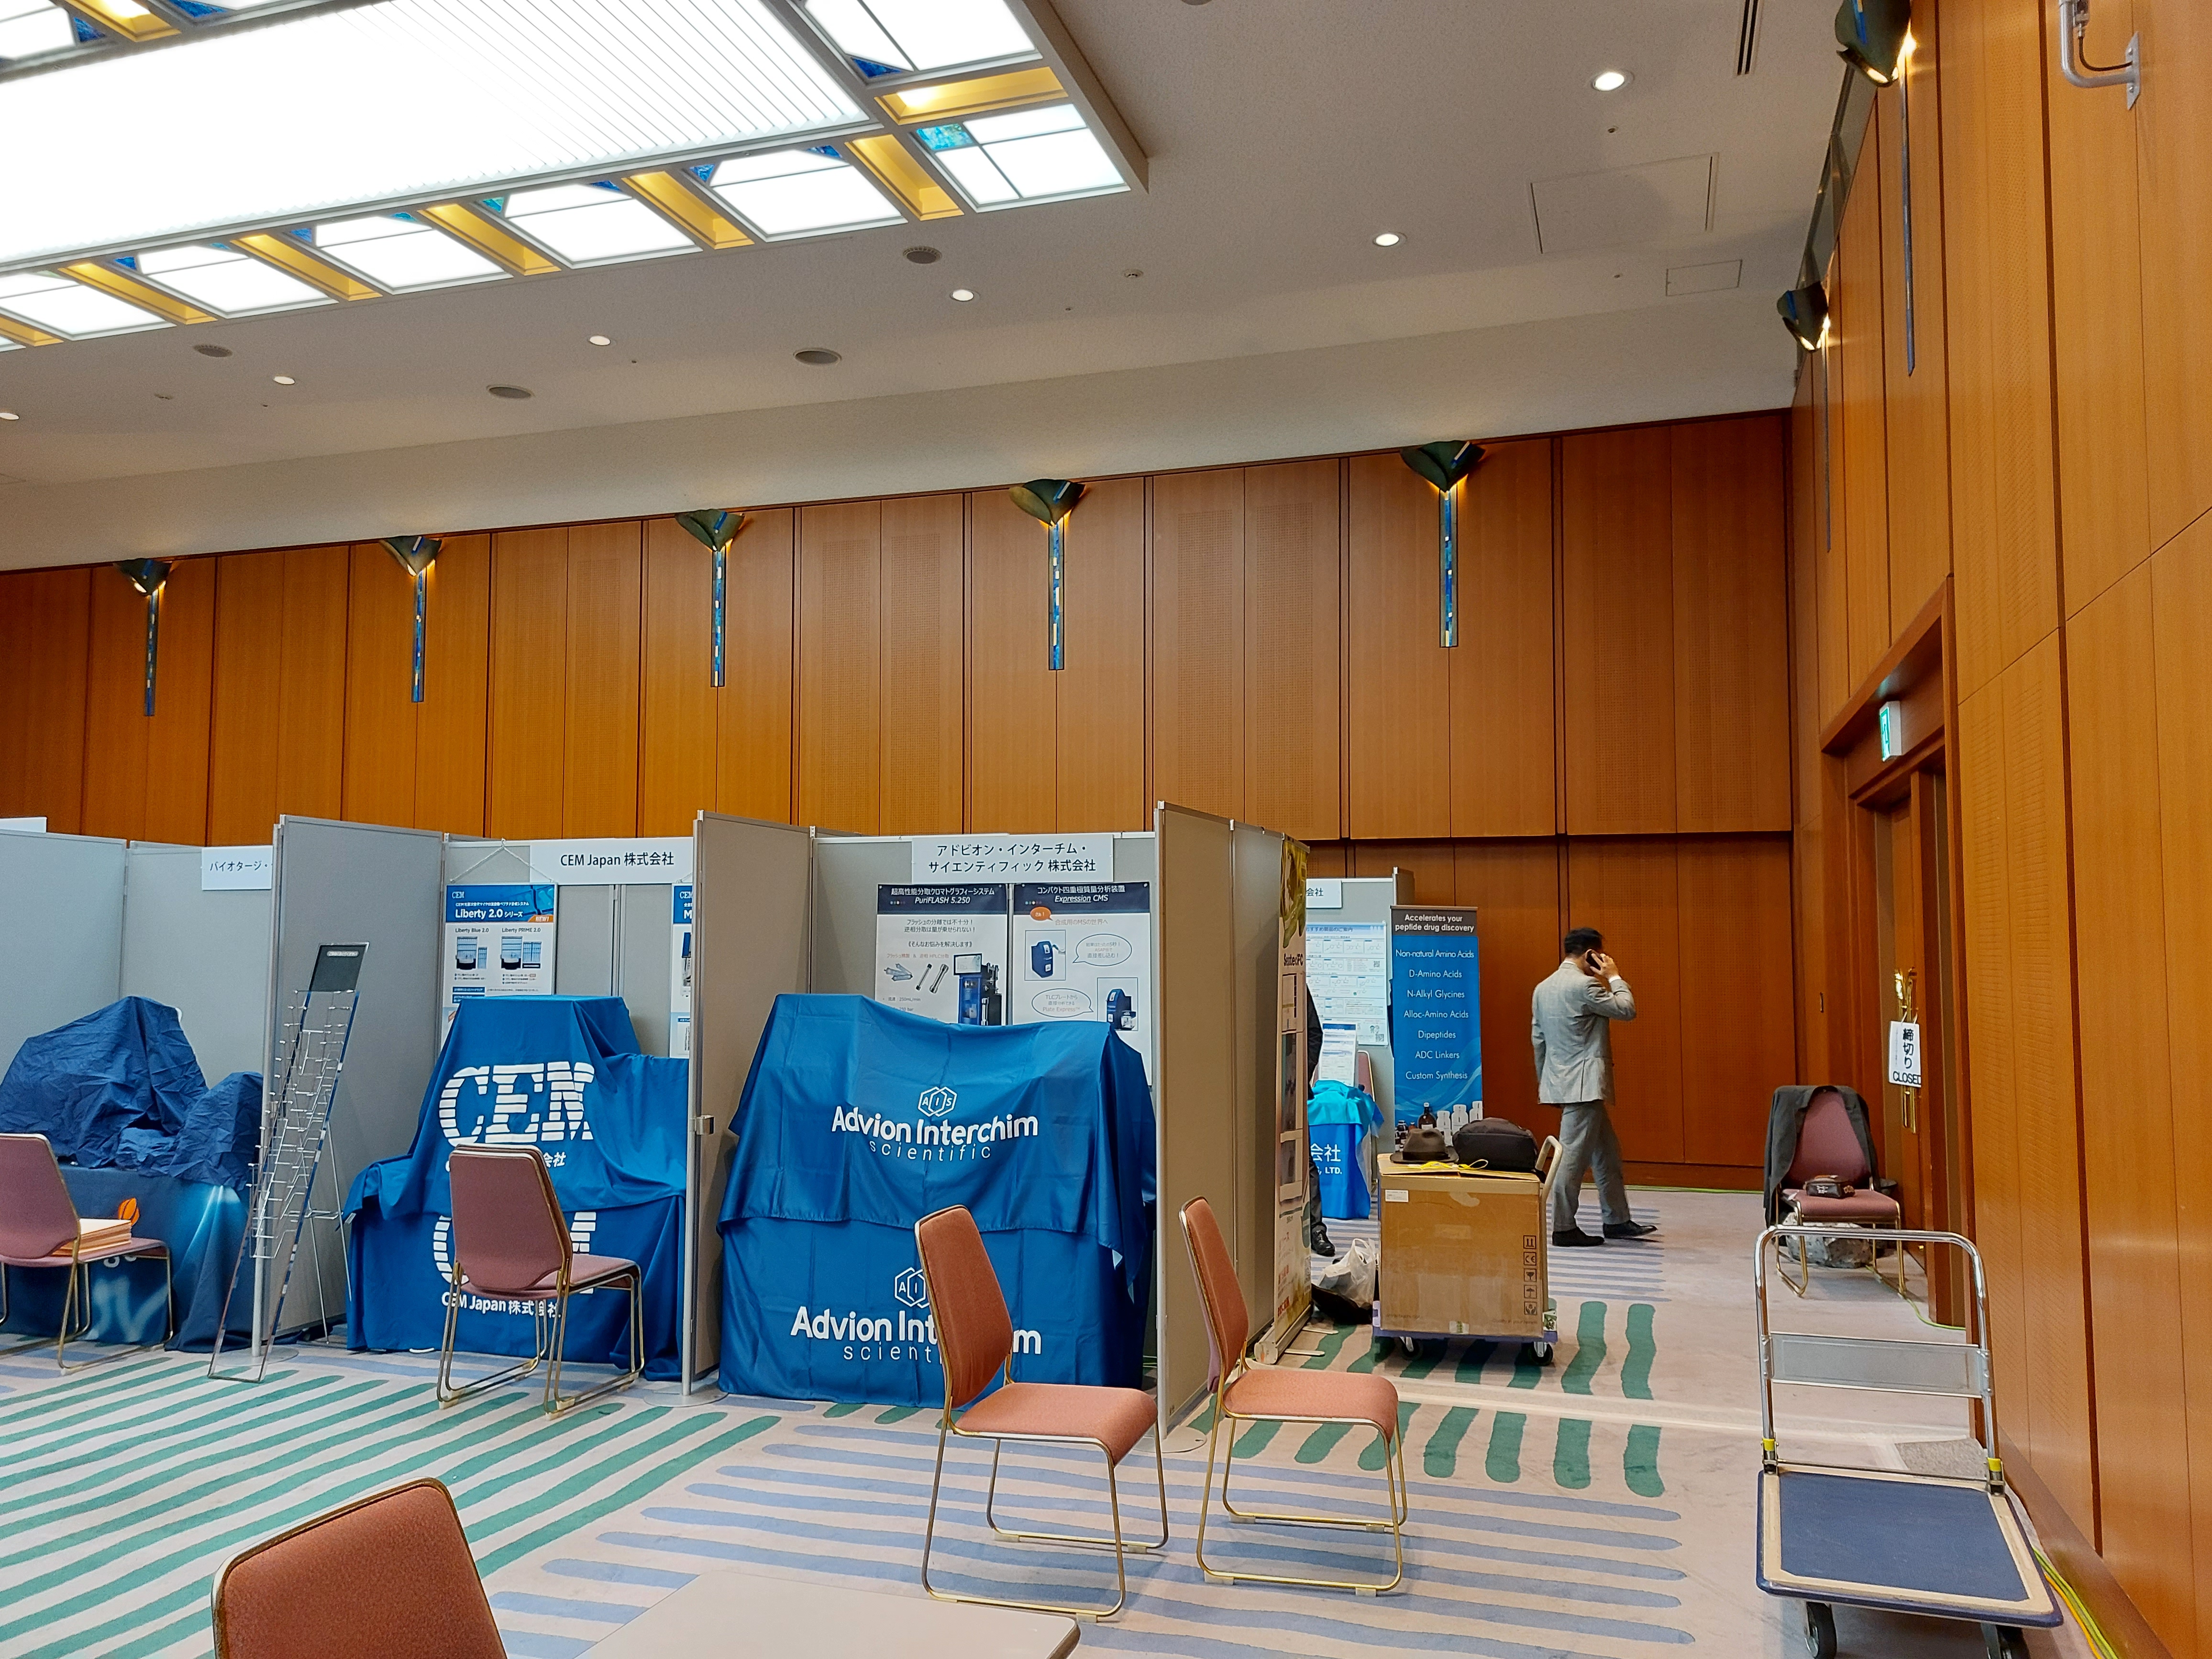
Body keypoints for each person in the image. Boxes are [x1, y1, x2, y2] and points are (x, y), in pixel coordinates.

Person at [1531, 927, 1656, 1248]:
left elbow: (1539, 1041)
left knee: (1608, 1154)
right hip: (1585, 1086)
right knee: (1571, 1159)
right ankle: (1563, 1228)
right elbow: (1627, 1009)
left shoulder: (1543, 988)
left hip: (1565, 1083)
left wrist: (1549, 1086)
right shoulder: (1586, 985)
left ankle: (1617, 1220)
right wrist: (1614, 976)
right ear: (1591, 954)